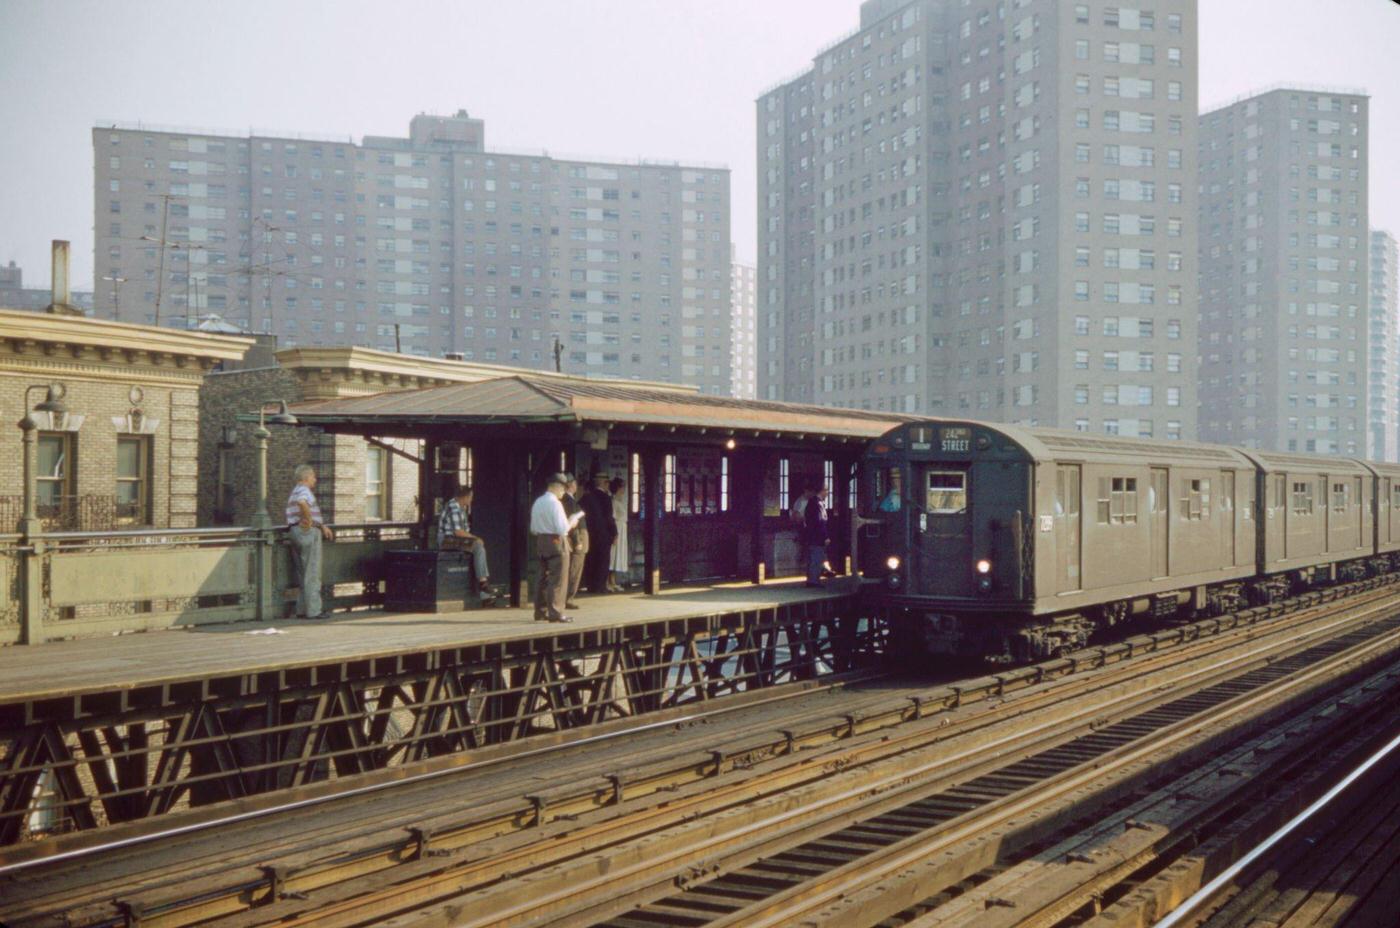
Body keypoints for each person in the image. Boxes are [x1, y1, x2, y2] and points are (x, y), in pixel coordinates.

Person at [529, 473, 580, 623]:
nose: (564, 492)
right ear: (557, 487)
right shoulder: (555, 503)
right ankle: (556, 613)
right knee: (558, 579)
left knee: (542, 578)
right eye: (563, 489)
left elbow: (533, 527)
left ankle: (539, 611)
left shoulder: (538, 502)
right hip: (557, 542)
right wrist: (573, 522)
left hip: (541, 541)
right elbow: (562, 528)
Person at [286, 464, 333, 619]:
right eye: (313, 476)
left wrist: (321, 525)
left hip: (294, 531)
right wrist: (308, 520)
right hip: (307, 533)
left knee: (302, 573)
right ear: (306, 478)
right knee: (312, 572)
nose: (315, 479)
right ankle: (314, 611)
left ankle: (302, 609)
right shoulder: (304, 491)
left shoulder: (294, 490)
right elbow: (302, 502)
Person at [437, 484, 494, 604]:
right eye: (470, 497)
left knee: (477, 552)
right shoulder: (454, 507)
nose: (471, 499)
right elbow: (458, 532)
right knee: (478, 546)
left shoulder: (460, 507)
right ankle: (483, 583)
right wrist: (475, 538)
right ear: (464, 497)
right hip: (447, 540)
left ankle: (484, 593)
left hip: (454, 539)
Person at [580, 471, 617, 593]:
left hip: (589, 533)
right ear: (604, 483)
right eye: (607, 483)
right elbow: (609, 517)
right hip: (604, 534)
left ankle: (590, 585)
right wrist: (614, 532)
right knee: (603, 560)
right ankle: (600, 586)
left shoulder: (586, 498)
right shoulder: (606, 498)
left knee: (591, 559)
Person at [562, 474, 589, 609]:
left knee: (573, 568)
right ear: (571, 485)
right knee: (574, 569)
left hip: (577, 536)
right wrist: (577, 541)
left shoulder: (568, 500)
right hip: (577, 537)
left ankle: (567, 597)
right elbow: (573, 522)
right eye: (575, 484)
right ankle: (568, 598)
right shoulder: (568, 500)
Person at [803, 486, 830, 588]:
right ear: (822, 491)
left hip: (811, 535)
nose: (827, 493)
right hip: (817, 536)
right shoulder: (817, 504)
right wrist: (825, 536)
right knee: (816, 558)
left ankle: (812, 579)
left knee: (813, 557)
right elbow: (820, 521)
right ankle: (813, 581)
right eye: (827, 491)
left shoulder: (812, 503)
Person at [608, 477, 629, 592]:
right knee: (613, 555)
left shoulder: (620, 500)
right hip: (617, 529)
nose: (623, 489)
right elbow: (612, 518)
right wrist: (614, 534)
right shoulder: (613, 501)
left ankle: (614, 581)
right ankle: (609, 582)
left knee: (618, 555)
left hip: (622, 529)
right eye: (622, 487)